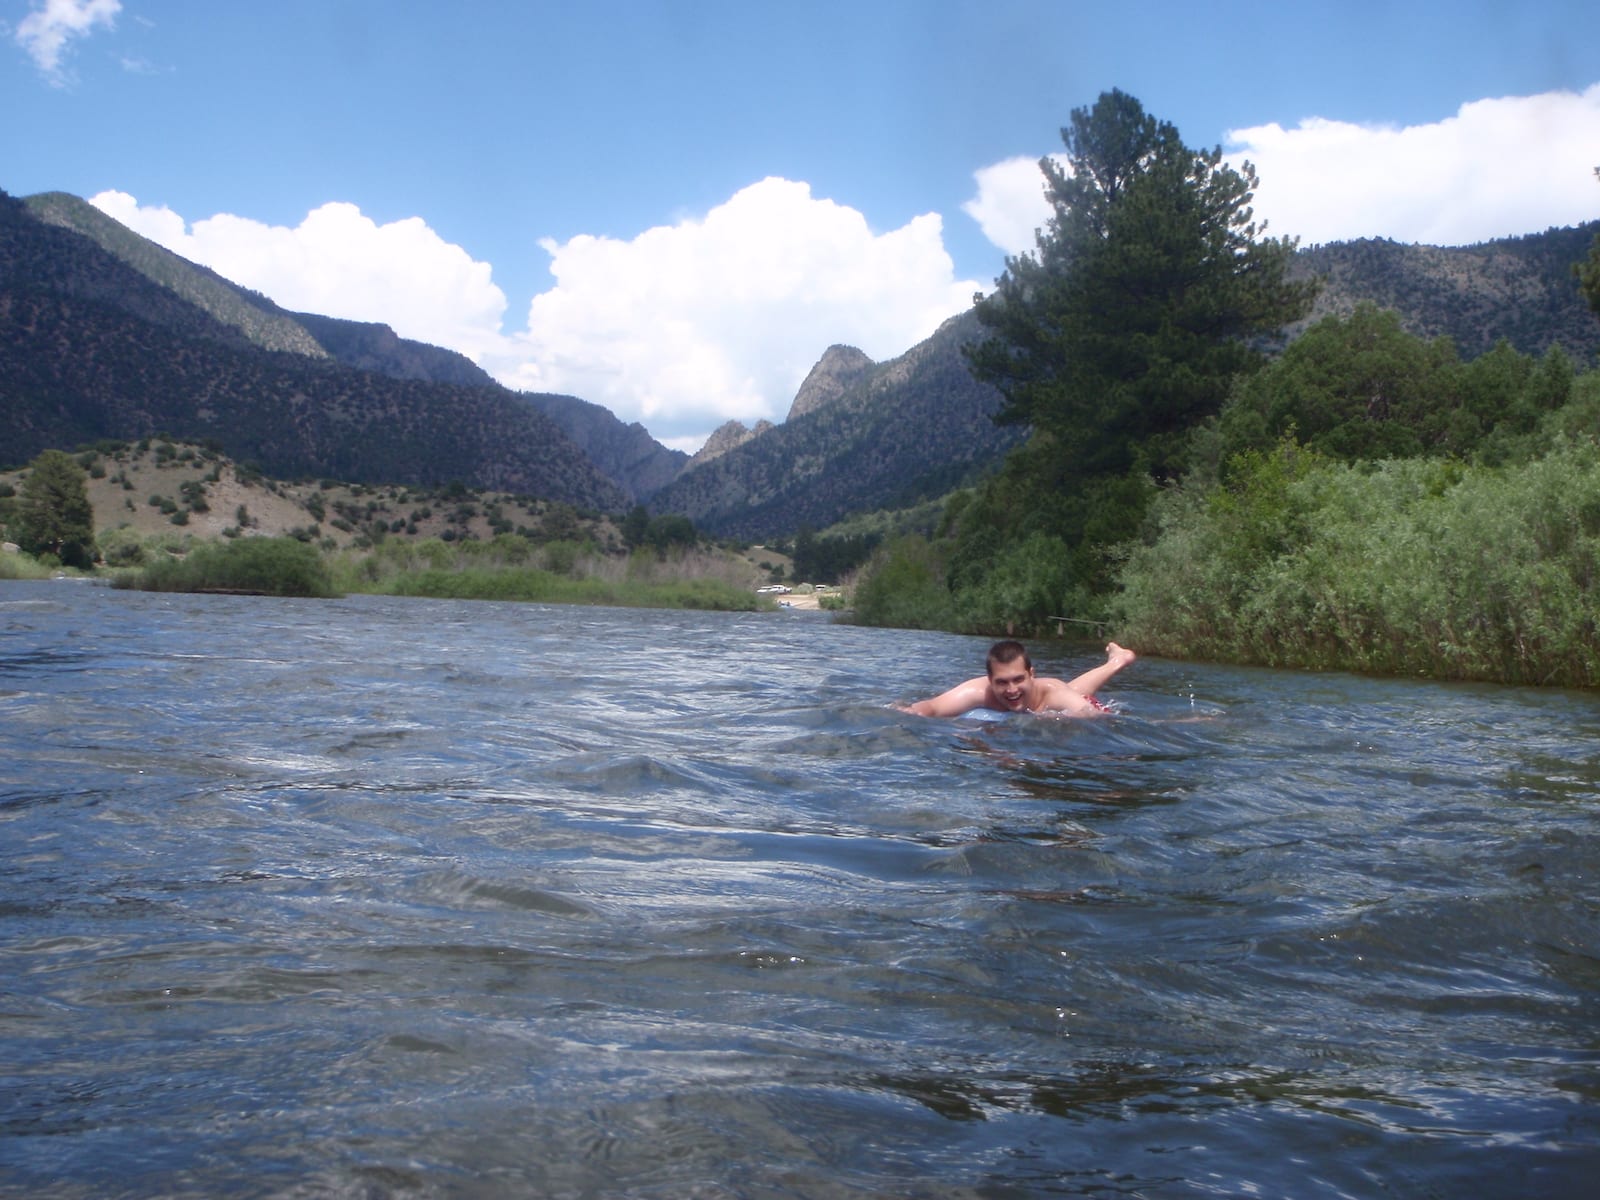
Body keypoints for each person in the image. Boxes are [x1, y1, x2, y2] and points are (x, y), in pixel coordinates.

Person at [900, 640, 1136, 718]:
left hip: (1053, 697)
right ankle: (1118, 660)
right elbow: (933, 706)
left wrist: (1055, 722)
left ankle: (1118, 662)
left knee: (1072, 692)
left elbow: (1095, 718)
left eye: (1018, 679)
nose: (1011, 690)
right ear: (989, 680)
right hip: (1049, 694)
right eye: (1001, 682)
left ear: (1031, 674)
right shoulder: (979, 692)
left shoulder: (1053, 693)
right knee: (1071, 688)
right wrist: (910, 711)